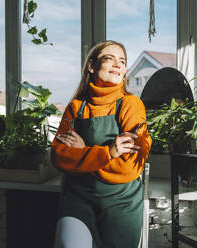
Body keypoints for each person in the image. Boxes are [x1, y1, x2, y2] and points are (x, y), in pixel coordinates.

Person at [51, 40, 152, 248]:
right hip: (78, 197)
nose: (117, 65)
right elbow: (59, 157)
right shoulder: (76, 107)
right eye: (109, 58)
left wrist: (83, 154)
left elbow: (129, 167)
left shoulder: (131, 104)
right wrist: (110, 153)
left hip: (121, 203)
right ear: (91, 66)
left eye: (122, 61)